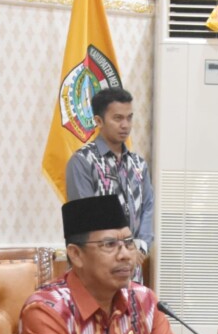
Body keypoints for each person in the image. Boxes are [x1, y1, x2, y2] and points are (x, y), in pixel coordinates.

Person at [5, 195, 218, 334]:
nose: (125, 255)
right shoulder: (46, 310)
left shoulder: (144, 301)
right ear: (76, 255)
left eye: (129, 243)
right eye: (110, 245)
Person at [65, 87, 154, 262]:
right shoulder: (82, 161)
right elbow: (86, 219)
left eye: (129, 118)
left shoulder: (139, 164)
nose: (125, 125)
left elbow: (148, 208)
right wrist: (118, 252)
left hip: (132, 263)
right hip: (96, 267)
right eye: (118, 118)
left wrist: (140, 248)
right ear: (99, 121)